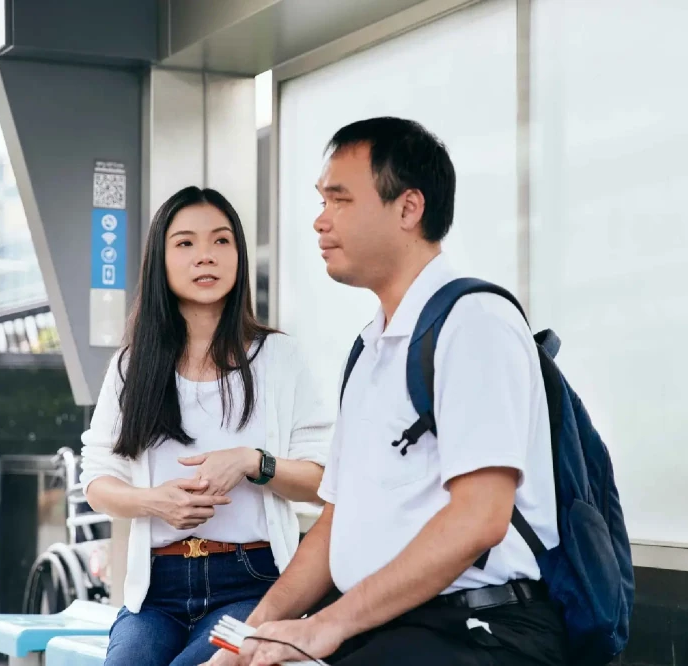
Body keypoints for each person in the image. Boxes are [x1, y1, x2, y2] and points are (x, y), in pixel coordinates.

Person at [205, 117, 566, 666]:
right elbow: (335, 520)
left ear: (408, 208)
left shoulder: (474, 323)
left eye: (339, 200)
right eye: (321, 201)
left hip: (477, 630)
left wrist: (325, 626)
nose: (320, 221)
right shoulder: (372, 349)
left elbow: (480, 517)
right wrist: (254, 634)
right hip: (389, 627)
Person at [80, 186, 333, 666]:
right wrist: (152, 502)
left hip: (251, 582)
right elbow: (96, 480)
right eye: (186, 244)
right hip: (155, 593)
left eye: (221, 242)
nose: (206, 257)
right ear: (161, 258)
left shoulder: (278, 358)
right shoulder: (133, 365)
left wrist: (251, 463)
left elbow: (325, 481)